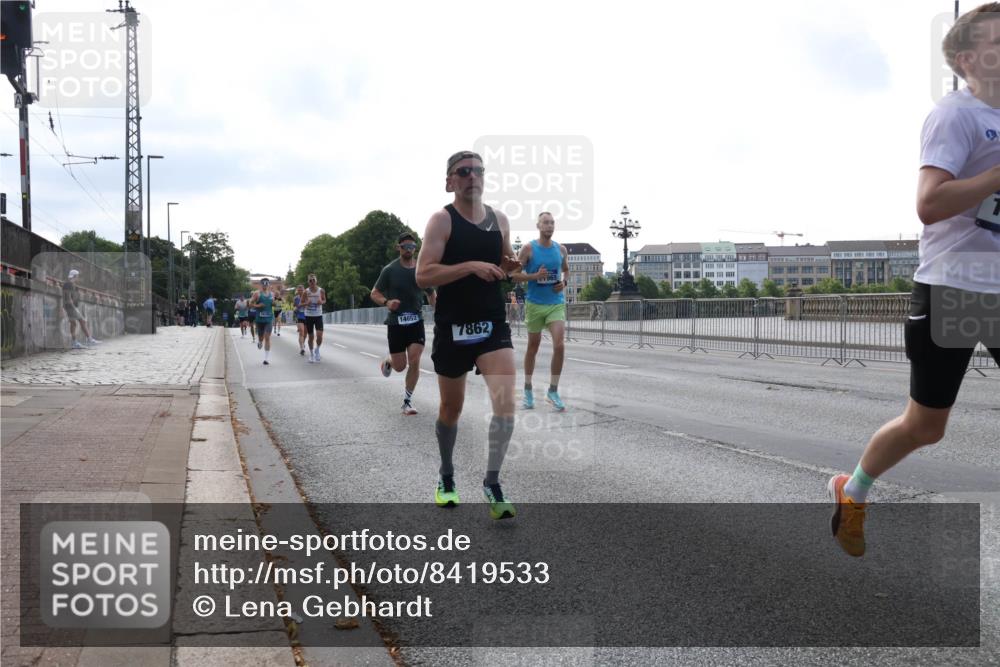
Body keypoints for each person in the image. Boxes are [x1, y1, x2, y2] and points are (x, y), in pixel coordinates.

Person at [828, 2, 1000, 558]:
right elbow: (928, 204)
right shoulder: (956, 115)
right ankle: (853, 491)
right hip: (953, 289)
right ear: (967, 58)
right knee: (926, 427)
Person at [415, 150, 522, 520]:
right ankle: (446, 475)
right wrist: (469, 267)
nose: (472, 176)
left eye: (478, 170)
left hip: (492, 323)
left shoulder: (499, 220)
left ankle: (492, 482)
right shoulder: (441, 222)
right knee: (450, 409)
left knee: (506, 406)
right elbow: (423, 275)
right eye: (463, 171)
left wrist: (512, 265)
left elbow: (505, 264)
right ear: (450, 181)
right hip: (453, 325)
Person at [372, 232, 437, 415]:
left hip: (416, 321)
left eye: (412, 246)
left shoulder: (421, 269)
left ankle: (407, 401)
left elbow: (431, 293)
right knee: (400, 366)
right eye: (405, 247)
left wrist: (438, 313)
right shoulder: (390, 270)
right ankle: (389, 361)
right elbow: (374, 292)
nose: (409, 250)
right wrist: (387, 302)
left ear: (416, 248)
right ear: (398, 248)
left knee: (415, 359)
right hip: (396, 323)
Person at [512, 211, 569, 411]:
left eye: (552, 222)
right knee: (533, 347)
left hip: (555, 302)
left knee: (560, 345)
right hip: (535, 304)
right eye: (546, 222)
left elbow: (566, 270)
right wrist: (535, 276)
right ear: (538, 225)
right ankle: (527, 389)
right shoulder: (528, 249)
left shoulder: (561, 249)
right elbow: (514, 275)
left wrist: (564, 282)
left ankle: (552, 391)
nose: (549, 226)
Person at [62, 269, 100, 348]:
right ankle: (89, 339)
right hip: (70, 306)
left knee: (74, 324)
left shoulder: (72, 284)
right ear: (75, 276)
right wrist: (73, 307)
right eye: (77, 276)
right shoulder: (68, 284)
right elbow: (68, 297)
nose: (78, 277)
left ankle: (75, 342)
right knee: (82, 321)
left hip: (70, 306)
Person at [250, 278, 276, 365]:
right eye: (263, 284)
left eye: (266, 284)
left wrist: (274, 303)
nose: (265, 285)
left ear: (268, 285)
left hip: (269, 319)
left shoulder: (272, 294)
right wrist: (258, 305)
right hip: (259, 320)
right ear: (261, 285)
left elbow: (273, 303)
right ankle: (260, 341)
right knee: (261, 337)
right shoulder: (257, 294)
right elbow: (250, 304)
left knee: (267, 337)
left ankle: (266, 358)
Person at [302, 273, 326, 363]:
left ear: (316, 281)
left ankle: (317, 350)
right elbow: (301, 304)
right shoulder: (306, 292)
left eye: (313, 280)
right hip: (309, 316)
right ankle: (311, 354)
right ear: (308, 282)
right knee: (311, 337)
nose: (312, 282)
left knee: (319, 336)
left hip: (318, 315)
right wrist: (306, 304)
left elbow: (324, 300)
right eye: (310, 281)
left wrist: (321, 302)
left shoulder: (321, 290)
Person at [293, 284, 307, 356]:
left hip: (307, 316)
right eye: (299, 290)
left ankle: (303, 343)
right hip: (300, 316)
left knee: (305, 333)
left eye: (301, 290)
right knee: (301, 332)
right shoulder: (296, 298)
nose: (300, 291)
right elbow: (294, 307)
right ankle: (302, 348)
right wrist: (296, 309)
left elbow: (309, 305)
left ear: (304, 290)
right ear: (297, 291)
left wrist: (304, 305)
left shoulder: (307, 297)